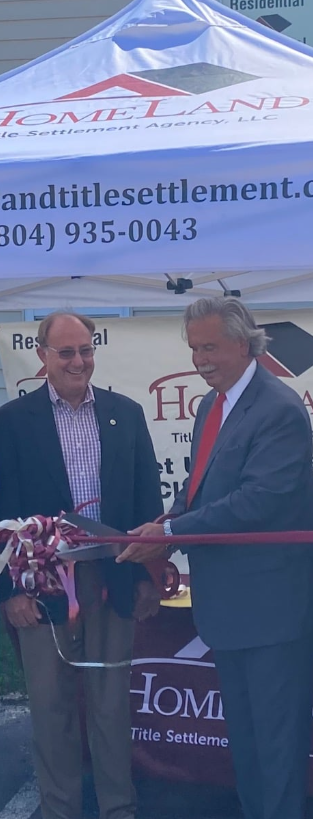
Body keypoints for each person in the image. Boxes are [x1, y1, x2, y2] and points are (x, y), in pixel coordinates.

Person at [118, 297, 313, 819]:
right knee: (247, 745)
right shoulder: (211, 404)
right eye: (194, 348)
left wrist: (171, 531)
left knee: (277, 749)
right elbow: (199, 491)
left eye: (211, 347)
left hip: (272, 611)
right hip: (227, 608)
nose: (200, 359)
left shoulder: (280, 409)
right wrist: (163, 526)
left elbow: (259, 501)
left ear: (245, 343)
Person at [0, 311, 163, 819]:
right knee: (51, 705)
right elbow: (3, 516)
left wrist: (148, 578)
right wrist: (11, 592)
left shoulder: (125, 414)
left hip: (113, 576)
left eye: (85, 350)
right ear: (42, 354)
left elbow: (145, 501)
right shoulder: (13, 422)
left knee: (111, 704)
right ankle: (59, 809)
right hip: (43, 584)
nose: (77, 361)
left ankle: (118, 808)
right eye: (65, 352)